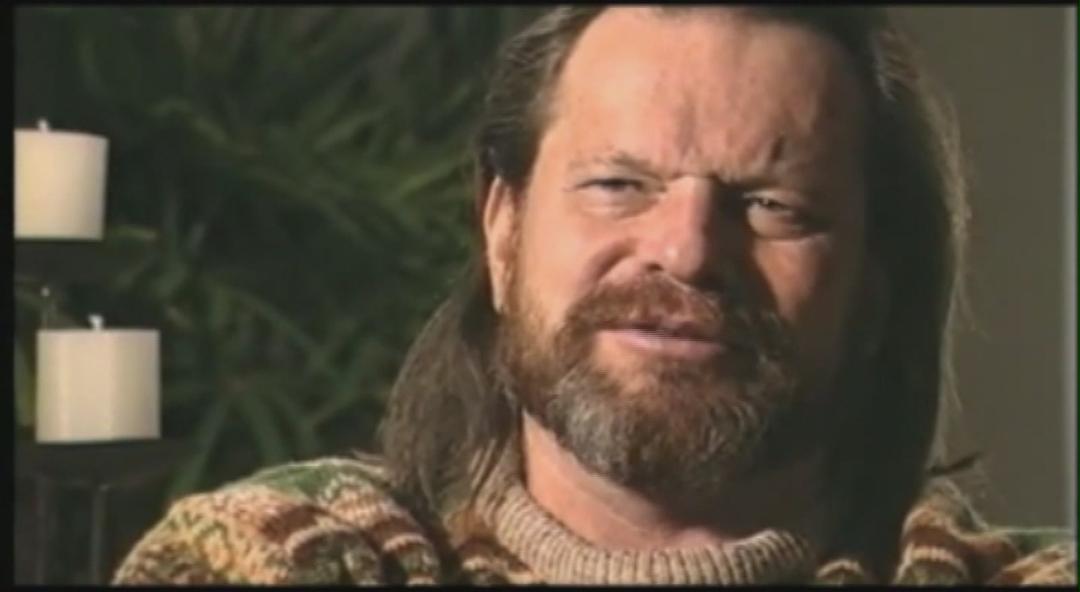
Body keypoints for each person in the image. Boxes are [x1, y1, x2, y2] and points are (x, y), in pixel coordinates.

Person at [113, 6, 1075, 585]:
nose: (686, 251)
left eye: (773, 205)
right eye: (618, 183)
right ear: (503, 232)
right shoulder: (281, 560)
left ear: (875, 286)